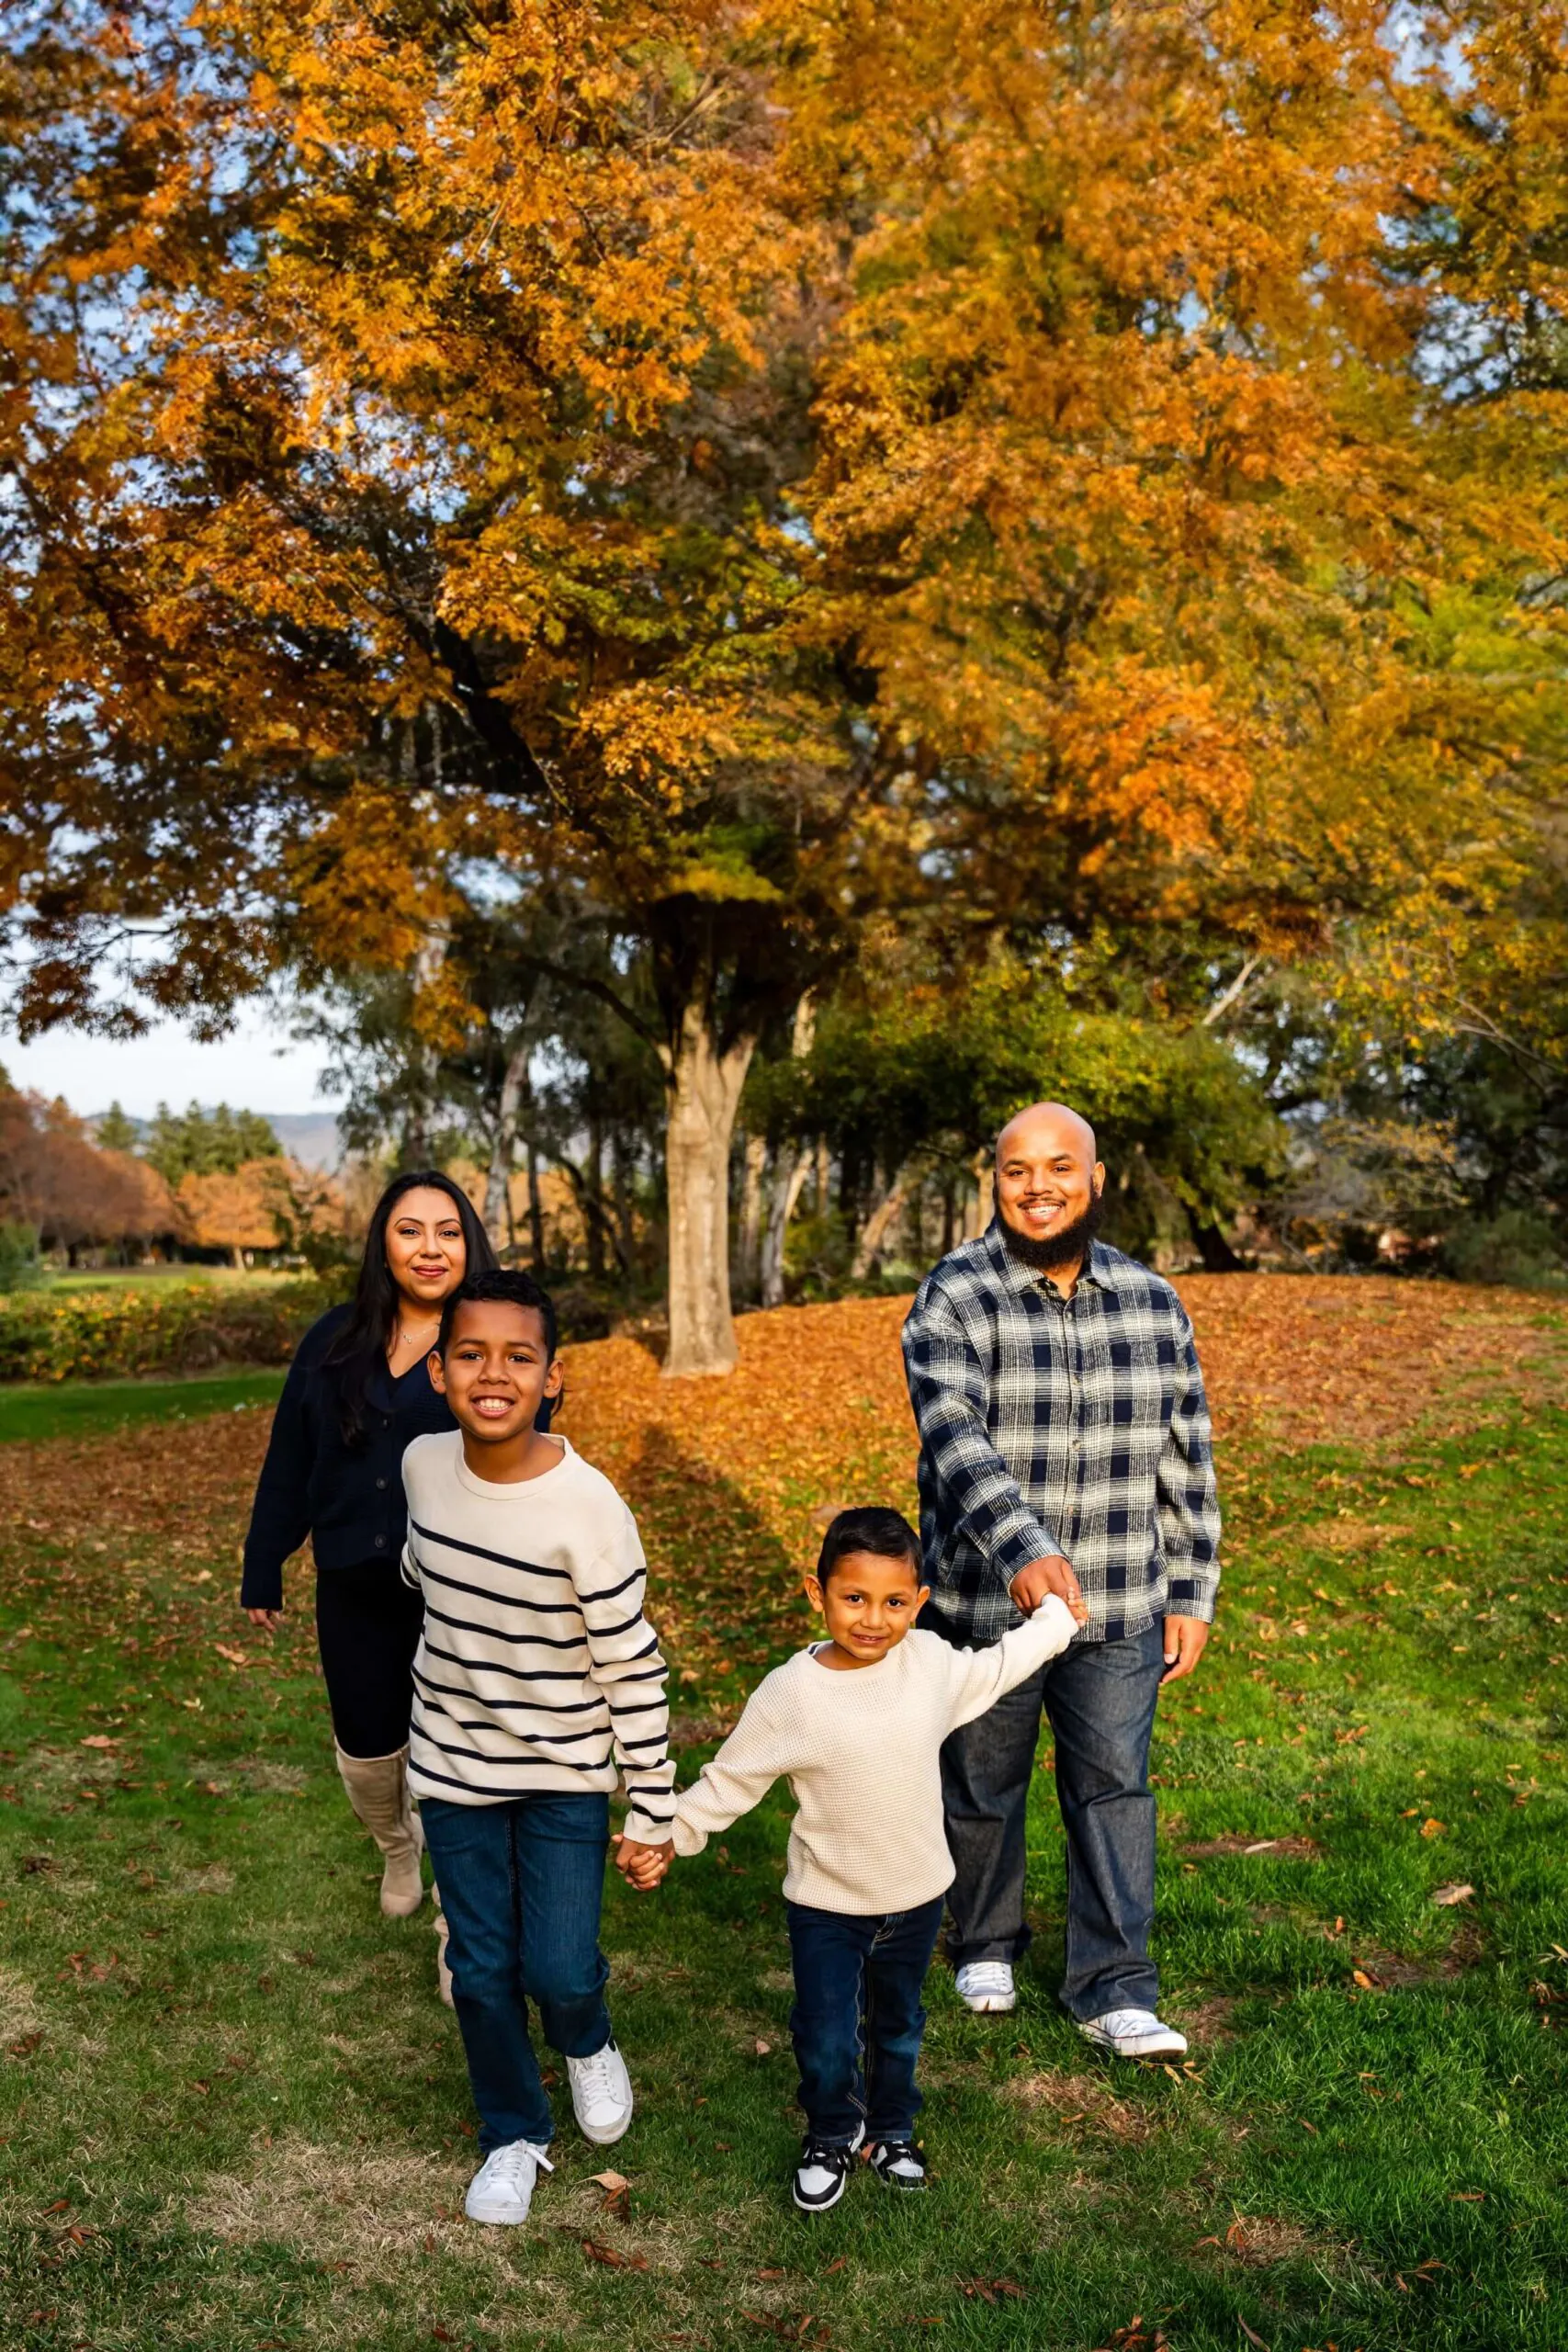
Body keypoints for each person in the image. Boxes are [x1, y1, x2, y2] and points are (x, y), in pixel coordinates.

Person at [615, 1506, 1081, 2213]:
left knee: (896, 2029)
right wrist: (663, 1836)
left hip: (917, 1895)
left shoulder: (927, 1664)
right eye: (853, 1598)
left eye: (894, 1602)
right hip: (827, 1907)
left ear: (918, 1604)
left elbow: (995, 1668)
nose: (872, 1618)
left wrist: (1054, 1621)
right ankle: (832, 2131)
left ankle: (890, 2130)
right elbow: (730, 1781)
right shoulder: (792, 1694)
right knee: (827, 2036)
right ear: (817, 1594)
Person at [901, 1101, 1221, 2061]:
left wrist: (1194, 1588)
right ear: (993, 1181)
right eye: (1016, 1170)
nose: (1038, 1186)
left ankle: (1114, 1984)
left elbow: (1187, 1454)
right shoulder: (952, 1295)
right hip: (990, 1602)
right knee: (983, 1779)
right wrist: (1024, 1547)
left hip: (1122, 1597)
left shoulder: (1154, 1301)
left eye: (1059, 1167)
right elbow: (954, 1436)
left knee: (1114, 1787)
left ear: (1096, 1177)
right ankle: (985, 1940)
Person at [402, 1268, 676, 2229]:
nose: (494, 1373)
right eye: (470, 1353)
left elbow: (634, 1670)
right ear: (439, 1370)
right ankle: (513, 2133)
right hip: (452, 1768)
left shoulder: (589, 1510)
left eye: (519, 1357)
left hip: (563, 1774)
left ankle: (587, 2037)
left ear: (552, 1376)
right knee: (479, 1970)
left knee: (557, 1968)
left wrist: (651, 1806)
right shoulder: (422, 1466)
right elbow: (425, 1570)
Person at [239, 1170, 500, 1940]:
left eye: (448, 1232)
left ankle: (461, 1922)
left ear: (468, 1245)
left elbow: (525, 1444)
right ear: (382, 1246)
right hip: (352, 1579)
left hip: (459, 1589)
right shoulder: (332, 1338)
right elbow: (291, 1456)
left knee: (457, 1754)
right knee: (365, 1746)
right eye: (410, 1230)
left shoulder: (488, 1339)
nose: (430, 1249)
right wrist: (265, 1558)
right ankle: (395, 1847)